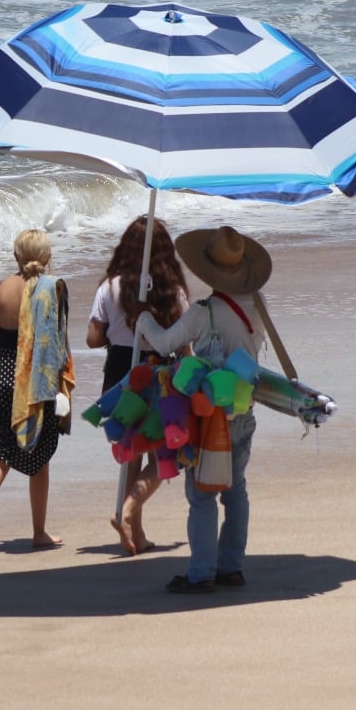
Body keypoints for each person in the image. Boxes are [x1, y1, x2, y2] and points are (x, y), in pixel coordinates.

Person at [133, 226, 270, 594]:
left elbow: (163, 343)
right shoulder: (258, 307)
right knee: (236, 489)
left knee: (202, 493)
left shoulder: (203, 312)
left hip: (209, 416)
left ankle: (201, 572)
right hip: (243, 407)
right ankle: (232, 567)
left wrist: (144, 319)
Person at [0, 228, 76, 558]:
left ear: (15, 256)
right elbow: (56, 344)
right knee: (40, 458)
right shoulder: (49, 289)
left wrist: (11, 351)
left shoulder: (0, 288)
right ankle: (39, 532)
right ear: (47, 257)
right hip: (32, 381)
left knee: (0, 456)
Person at [86, 216, 190, 555]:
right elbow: (185, 349)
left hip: (119, 371)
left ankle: (133, 529)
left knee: (130, 452)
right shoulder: (172, 292)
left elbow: (92, 338)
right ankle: (130, 516)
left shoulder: (110, 287)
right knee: (167, 453)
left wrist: (119, 330)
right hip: (159, 375)